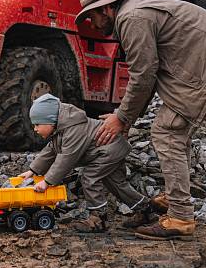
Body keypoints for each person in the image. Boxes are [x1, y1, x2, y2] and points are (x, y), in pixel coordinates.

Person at [75, 0, 206, 240]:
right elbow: (149, 74)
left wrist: (121, 118)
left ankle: (180, 216)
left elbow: (143, 75)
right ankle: (175, 197)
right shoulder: (135, 13)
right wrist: (126, 118)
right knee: (175, 131)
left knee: (167, 131)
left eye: (92, 17)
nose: (92, 25)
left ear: (107, 9)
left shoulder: (131, 19)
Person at [16, 93, 160, 233]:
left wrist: (47, 182)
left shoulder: (73, 130)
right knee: (117, 184)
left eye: (37, 124)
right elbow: (51, 150)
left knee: (89, 177)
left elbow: (66, 158)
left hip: (109, 152)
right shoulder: (61, 129)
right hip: (111, 151)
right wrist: (33, 170)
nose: (35, 129)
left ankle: (98, 219)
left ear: (50, 120)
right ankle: (147, 210)